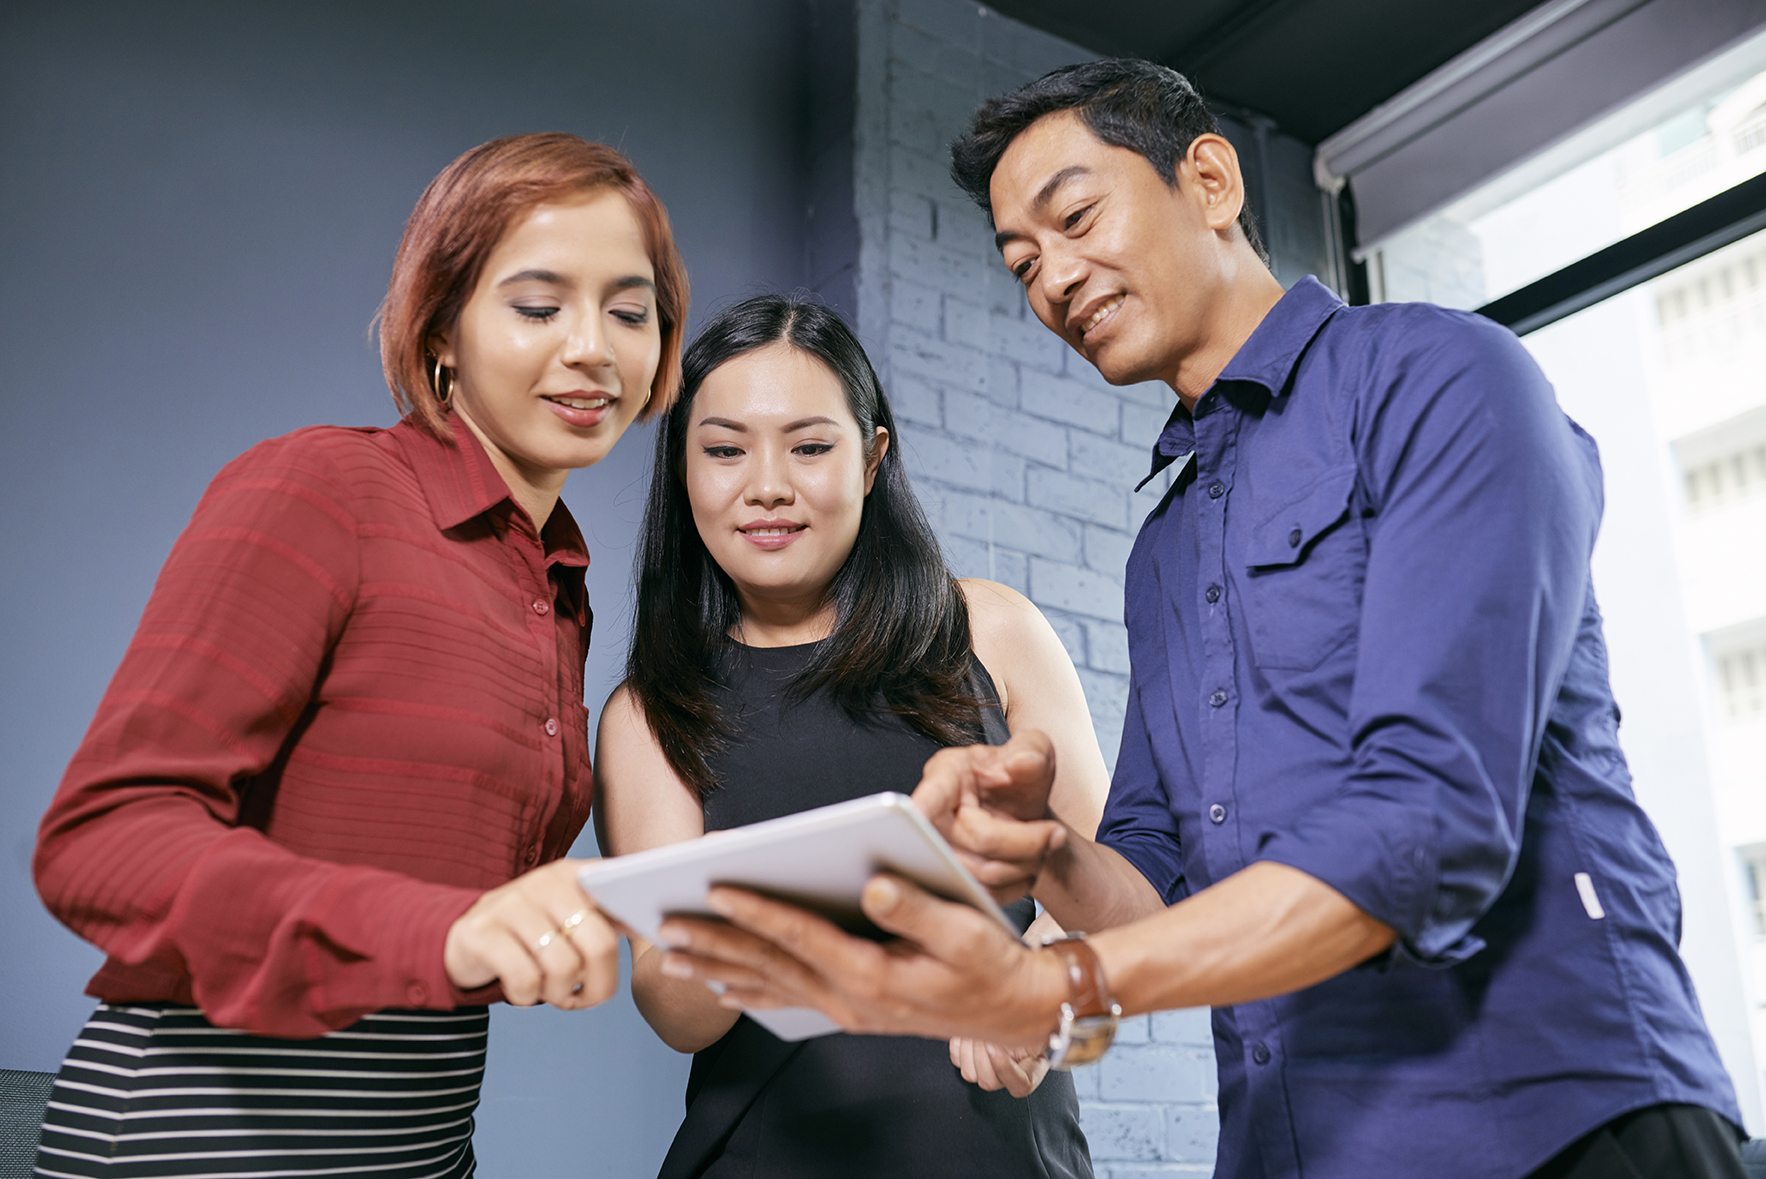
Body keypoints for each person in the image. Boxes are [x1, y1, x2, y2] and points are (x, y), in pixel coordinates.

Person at [647, 60, 1753, 1179]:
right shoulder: (1165, 547)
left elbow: (1428, 824)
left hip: (1549, 1122)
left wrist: (1058, 983)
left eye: (1075, 218)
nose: (1053, 281)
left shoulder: (1440, 379)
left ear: (1210, 180)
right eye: (1021, 264)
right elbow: (1148, 872)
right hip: (1292, 1142)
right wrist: (1047, 856)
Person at [30, 132, 688, 1179]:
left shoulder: (559, 586)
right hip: (202, 1142)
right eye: (536, 305)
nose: (593, 349)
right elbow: (101, 840)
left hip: (415, 1146)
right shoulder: (323, 490)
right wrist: (445, 932)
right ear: (441, 332)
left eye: (628, 308)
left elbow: (465, 886)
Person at [593, 293, 1101, 1178]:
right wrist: (755, 923)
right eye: (723, 449)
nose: (767, 485)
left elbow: (1110, 876)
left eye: (810, 445)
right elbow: (675, 1014)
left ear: (871, 459)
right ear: (684, 470)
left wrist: (1041, 983)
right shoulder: (649, 711)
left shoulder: (990, 630)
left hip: (1003, 1152)